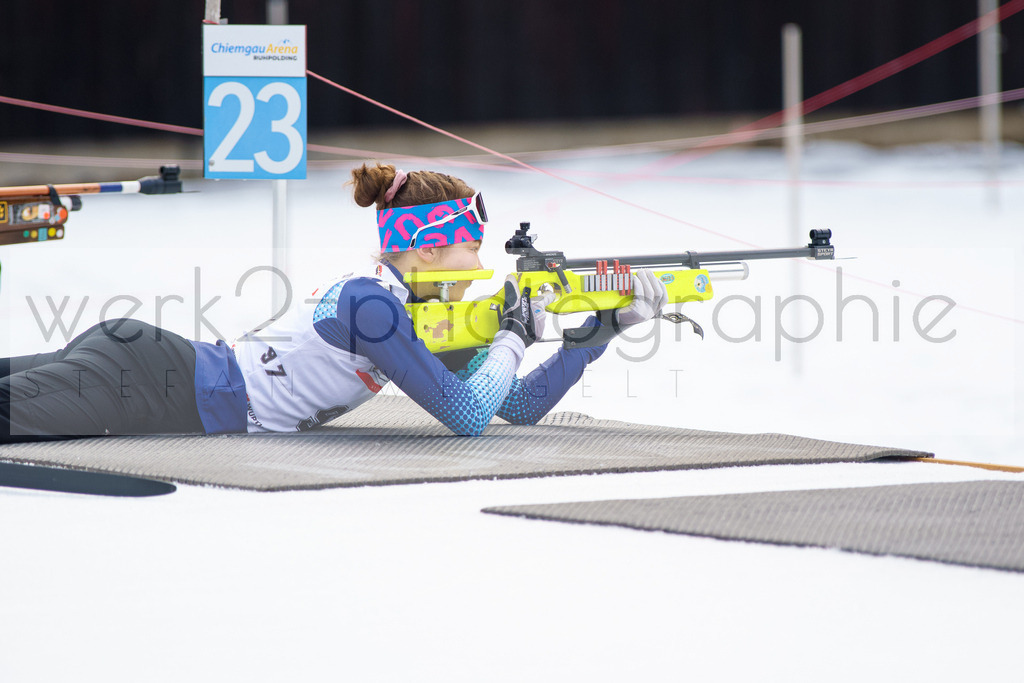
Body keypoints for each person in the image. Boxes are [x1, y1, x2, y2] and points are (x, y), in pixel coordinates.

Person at [0, 163, 668, 442]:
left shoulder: (412, 315)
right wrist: (516, 332)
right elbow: (466, 416)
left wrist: (597, 333)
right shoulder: (369, 305)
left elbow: (512, 407)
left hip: (151, 373)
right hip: (152, 381)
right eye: (471, 251)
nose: (480, 269)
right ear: (429, 250)